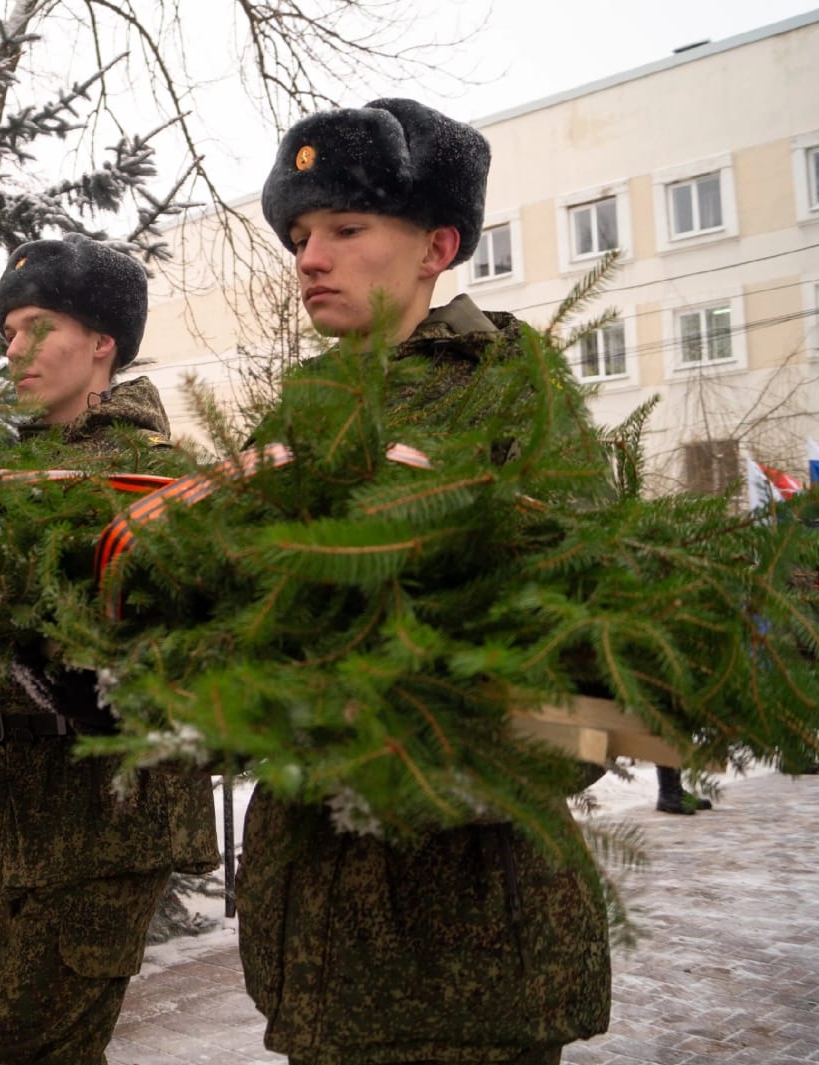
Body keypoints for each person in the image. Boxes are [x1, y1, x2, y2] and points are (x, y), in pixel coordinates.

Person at [235, 99, 612, 1065]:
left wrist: (421, 753)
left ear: (437, 245)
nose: (310, 257)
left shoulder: (512, 394)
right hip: (315, 952)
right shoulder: (291, 421)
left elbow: (611, 681)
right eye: (301, 234)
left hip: (468, 953)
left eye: (346, 229)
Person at [0, 234, 221, 1064]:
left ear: (103, 342)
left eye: (40, 325)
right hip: (9, 812)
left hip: (109, 817)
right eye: (6, 333)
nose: (16, 350)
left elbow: (202, 647)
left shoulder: (160, 478)